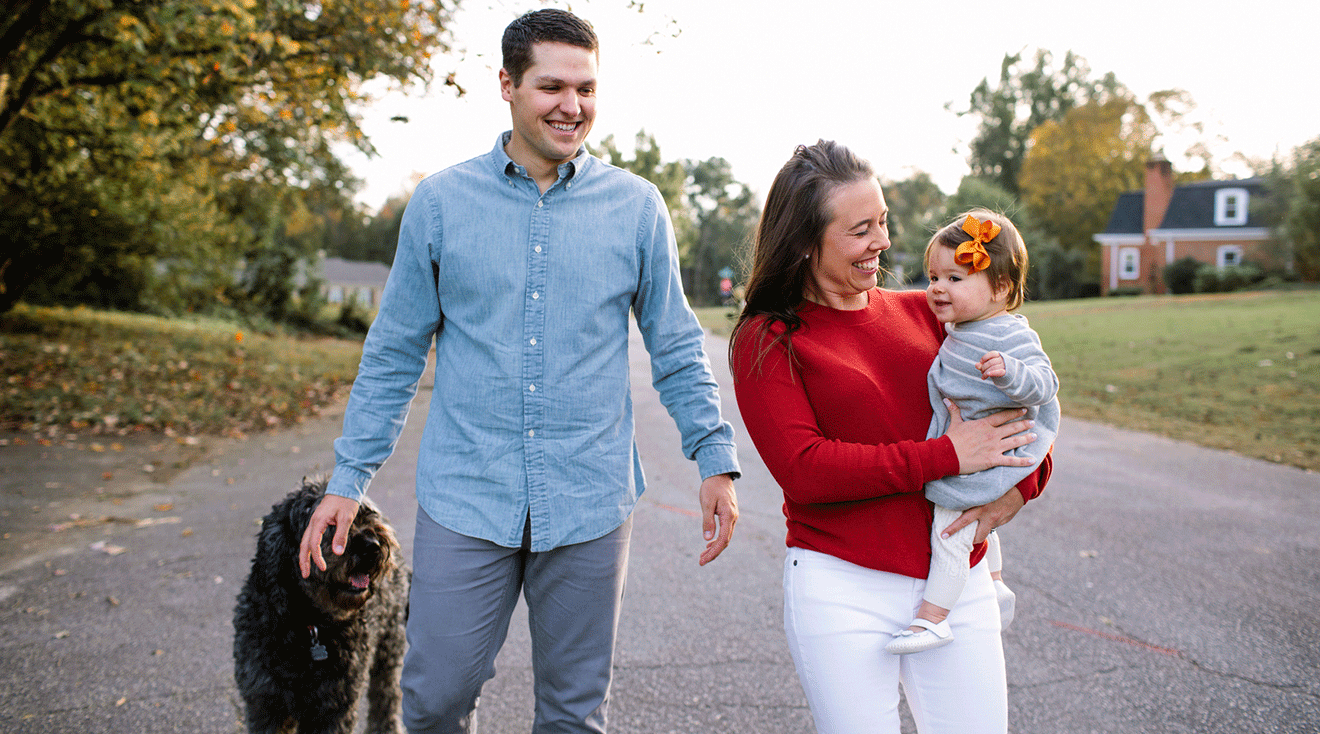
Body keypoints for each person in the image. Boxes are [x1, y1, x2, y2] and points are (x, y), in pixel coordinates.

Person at [296, 9, 741, 733]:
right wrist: (350, 480)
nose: (574, 106)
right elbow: (394, 351)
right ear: (507, 84)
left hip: (589, 494)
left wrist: (713, 459)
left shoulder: (636, 209)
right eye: (552, 86)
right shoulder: (441, 203)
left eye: (588, 88)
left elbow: (678, 344)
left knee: (572, 714)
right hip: (468, 492)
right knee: (436, 695)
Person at [729, 140, 1051, 734]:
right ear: (804, 241)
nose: (881, 241)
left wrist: (1017, 491)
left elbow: (1029, 410)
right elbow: (807, 470)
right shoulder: (768, 339)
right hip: (842, 587)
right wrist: (945, 455)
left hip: (957, 585)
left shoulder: (932, 311)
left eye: (882, 221)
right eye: (859, 231)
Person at [884, 210, 1060, 656]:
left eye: (955, 278)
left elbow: (1046, 384)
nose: (938, 288)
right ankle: (996, 582)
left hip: (993, 447)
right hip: (971, 444)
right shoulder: (961, 327)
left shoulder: (1007, 334)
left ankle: (934, 618)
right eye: (933, 276)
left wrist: (1011, 372)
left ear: (1000, 288)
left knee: (951, 527)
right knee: (978, 519)